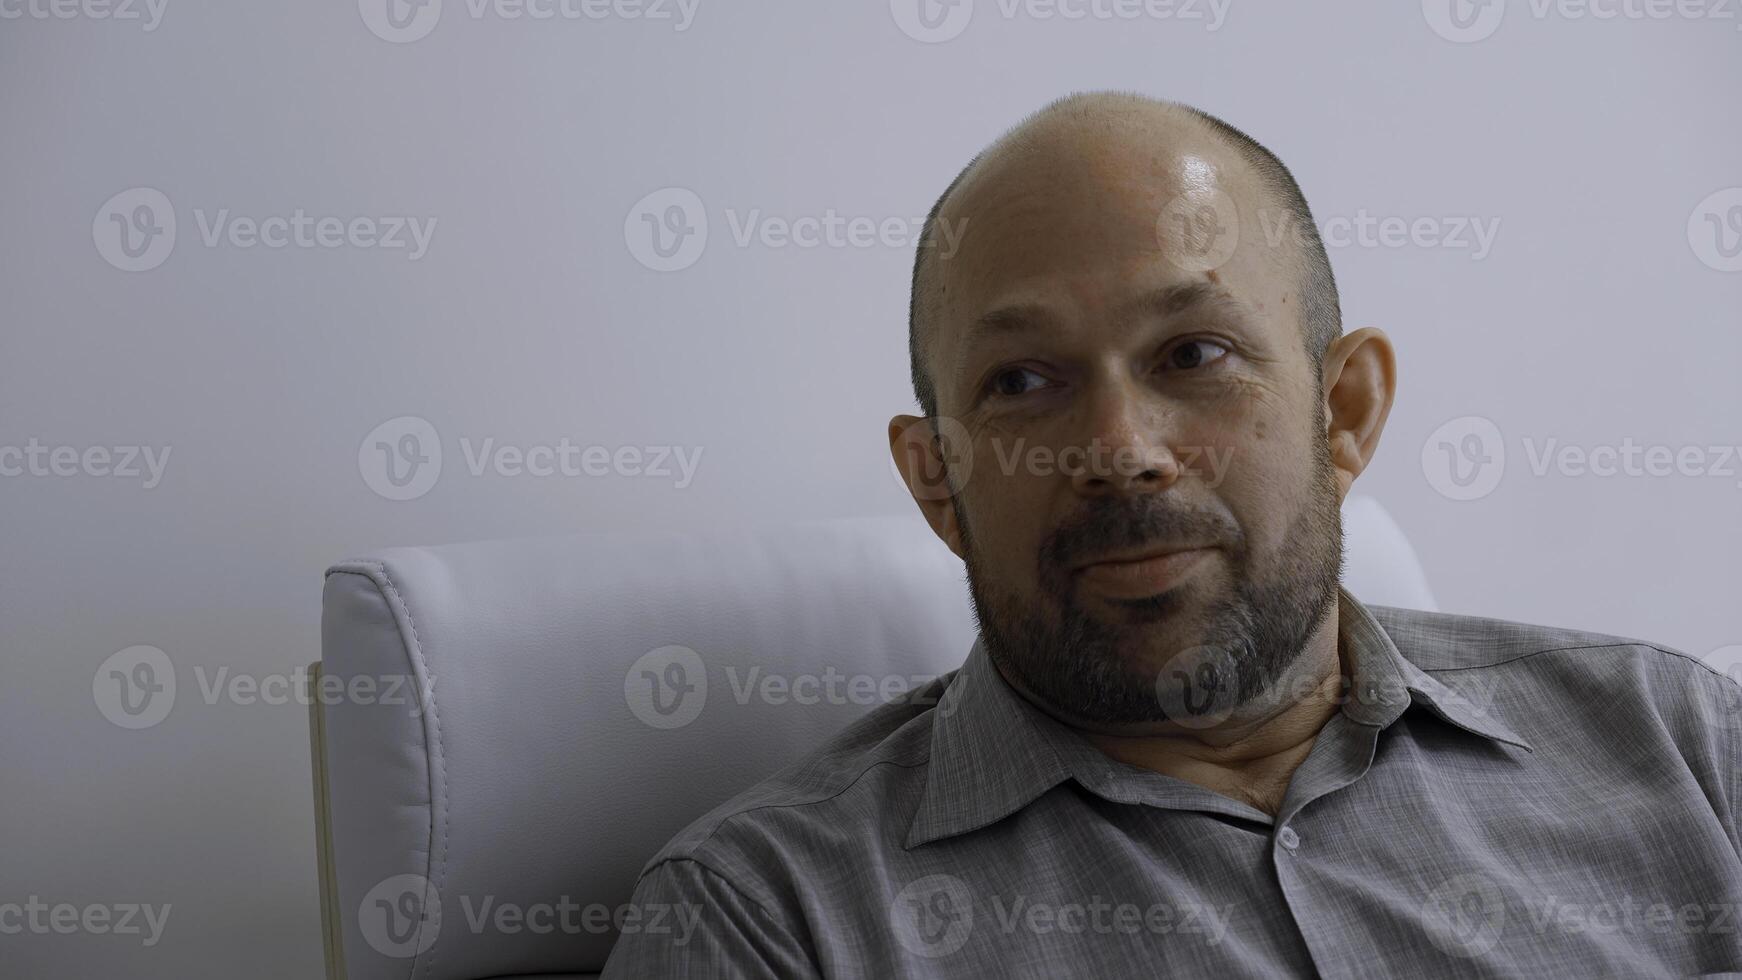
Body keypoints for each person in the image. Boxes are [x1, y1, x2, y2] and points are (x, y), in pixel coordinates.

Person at [601, 91, 1742, 977]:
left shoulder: (1684, 745)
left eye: (1191, 353)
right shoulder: (766, 920)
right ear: (937, 481)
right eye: (1023, 378)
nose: (1118, 446)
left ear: (1340, 412)